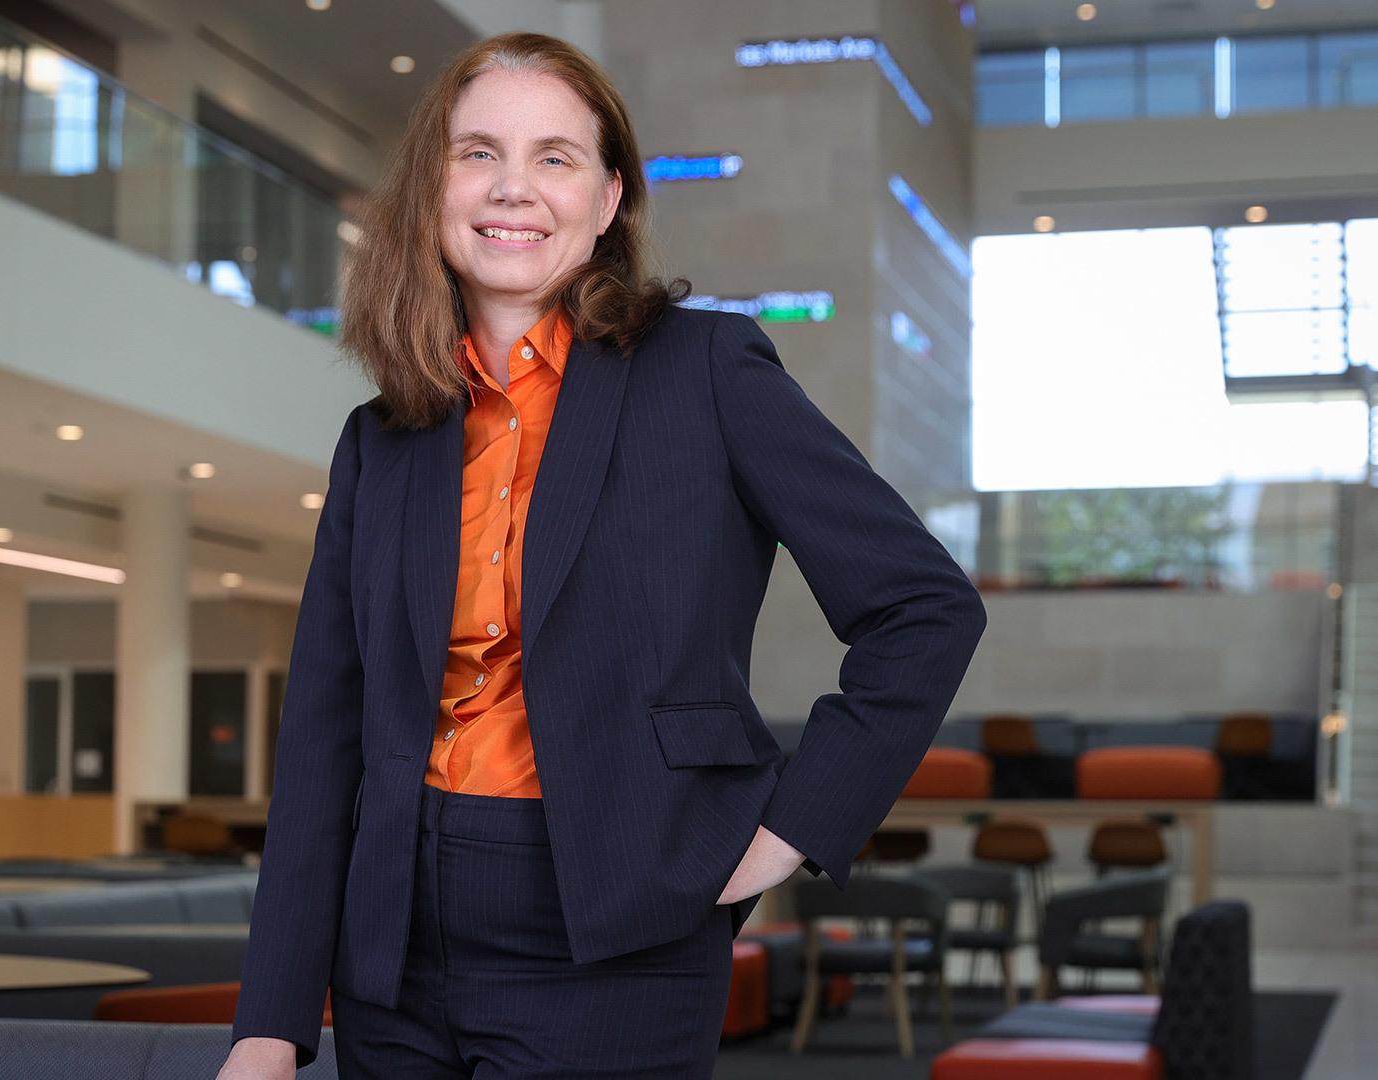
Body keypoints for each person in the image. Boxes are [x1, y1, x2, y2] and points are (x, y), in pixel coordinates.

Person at [216, 31, 986, 1080]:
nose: (513, 188)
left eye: (555, 157)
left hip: (619, 936)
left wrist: (793, 830)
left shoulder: (708, 370)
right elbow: (323, 734)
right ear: (433, 186)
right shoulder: (382, 437)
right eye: (478, 153)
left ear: (610, 195)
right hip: (391, 952)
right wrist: (268, 1024)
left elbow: (925, 608)